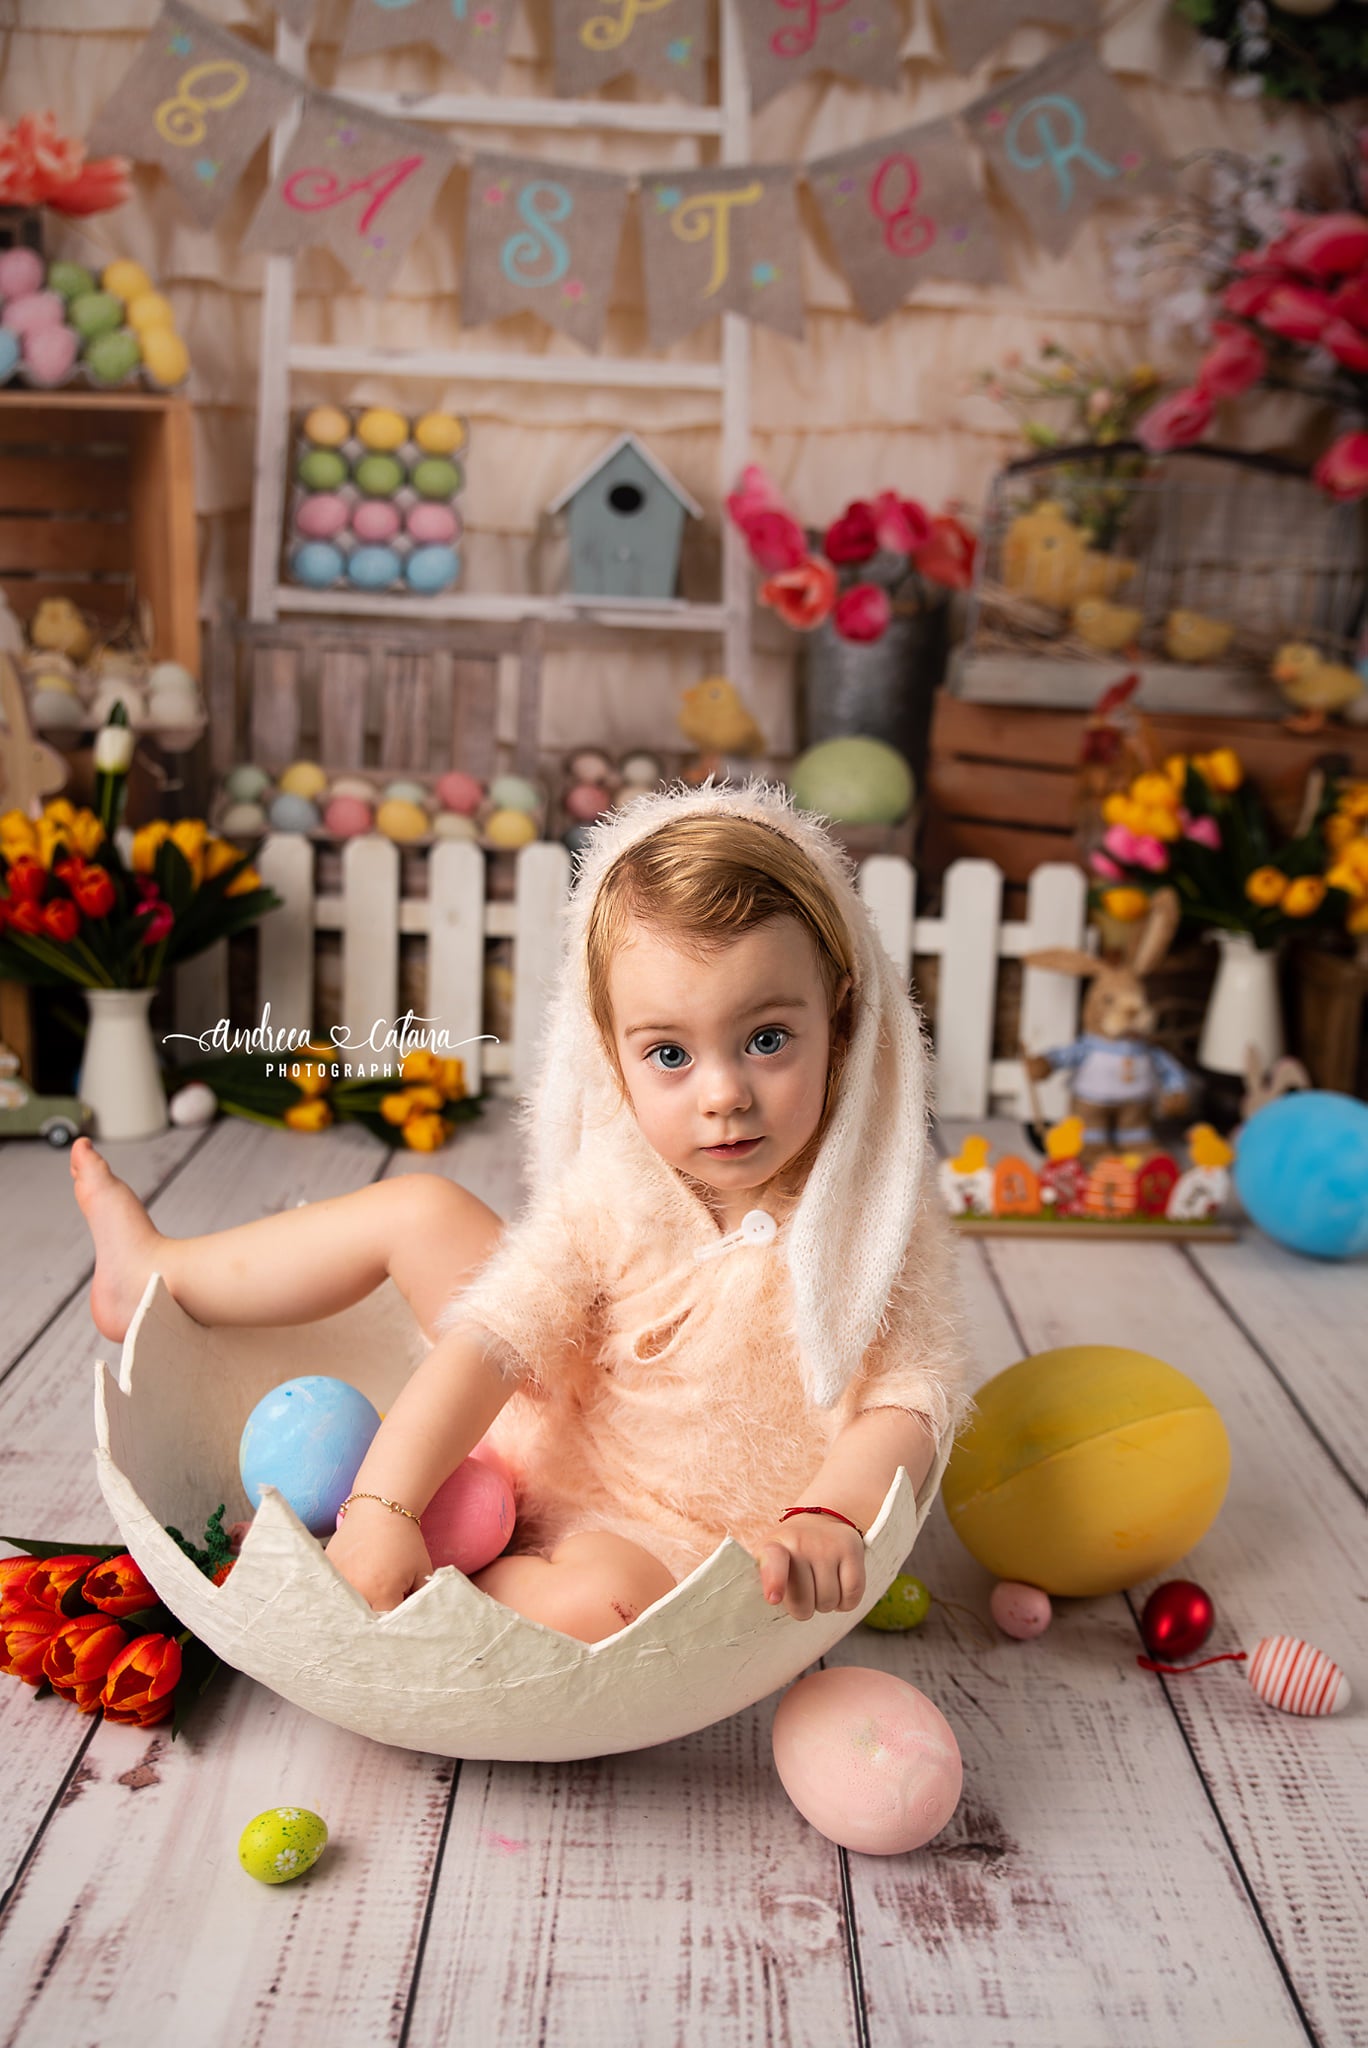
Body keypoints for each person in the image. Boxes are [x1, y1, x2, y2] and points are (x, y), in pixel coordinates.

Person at [71, 780, 970, 1645]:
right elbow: (494, 1338)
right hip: (543, 1407)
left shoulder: (874, 1217)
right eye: (669, 1054)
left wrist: (829, 1515)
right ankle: (155, 1273)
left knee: (607, 1607)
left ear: (840, 1022)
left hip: (654, 1535)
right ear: (611, 1053)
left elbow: (908, 1398)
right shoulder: (620, 1187)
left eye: (767, 1040)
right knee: (423, 1210)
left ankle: (440, 1583)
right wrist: (381, 1505)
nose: (723, 1094)